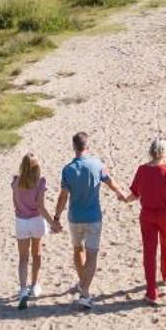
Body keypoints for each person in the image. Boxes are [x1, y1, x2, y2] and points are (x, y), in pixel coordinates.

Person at [52, 131, 124, 309]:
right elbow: (110, 181)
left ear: (73, 146)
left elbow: (63, 196)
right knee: (92, 254)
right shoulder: (97, 164)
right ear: (87, 145)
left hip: (75, 217)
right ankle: (84, 291)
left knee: (77, 249)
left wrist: (56, 217)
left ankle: (82, 284)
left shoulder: (68, 169)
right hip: (93, 217)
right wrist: (121, 193)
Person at [127, 138, 166, 304]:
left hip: (147, 215)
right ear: (164, 152)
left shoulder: (142, 170)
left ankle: (151, 291)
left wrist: (125, 199)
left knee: (149, 252)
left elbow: (135, 194)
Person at [11, 153, 54, 308]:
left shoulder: (16, 181)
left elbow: (14, 203)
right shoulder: (40, 182)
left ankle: (23, 289)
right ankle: (34, 285)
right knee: (36, 254)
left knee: (23, 258)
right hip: (36, 221)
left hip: (21, 221)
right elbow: (41, 207)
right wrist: (53, 223)